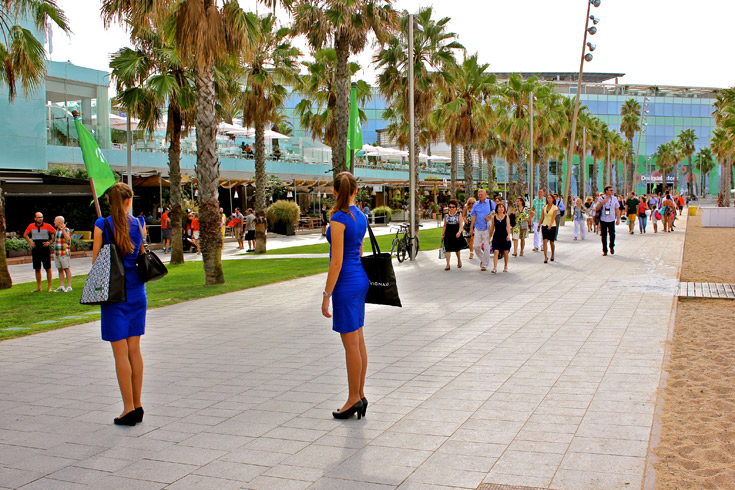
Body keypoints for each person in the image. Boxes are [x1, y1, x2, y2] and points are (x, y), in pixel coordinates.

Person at [92, 183, 147, 426]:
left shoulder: (101, 224)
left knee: (120, 353)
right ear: (129, 200)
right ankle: (138, 404)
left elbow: (96, 261)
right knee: (134, 350)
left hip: (114, 293)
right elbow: (141, 254)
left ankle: (127, 409)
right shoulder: (139, 223)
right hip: (137, 292)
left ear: (109, 201)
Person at [322, 172, 368, 420]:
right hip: (359, 278)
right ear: (355, 191)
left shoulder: (338, 219)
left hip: (346, 283)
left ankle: (353, 399)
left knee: (351, 345)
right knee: (358, 340)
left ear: (334, 191)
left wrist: (326, 294)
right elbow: (358, 250)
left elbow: (336, 262)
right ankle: (359, 394)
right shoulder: (360, 216)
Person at [23, 212, 55, 292]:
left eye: (41, 217)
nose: (40, 219)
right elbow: (25, 235)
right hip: (36, 247)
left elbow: (55, 233)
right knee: (37, 268)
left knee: (48, 267)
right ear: (35, 219)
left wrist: (50, 242)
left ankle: (49, 287)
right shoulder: (31, 226)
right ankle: (38, 287)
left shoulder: (47, 225)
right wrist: (30, 242)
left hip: (45, 247)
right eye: (39, 217)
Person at [469, 189, 494, 271]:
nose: (480, 196)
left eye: (482, 194)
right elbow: (473, 216)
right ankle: (483, 259)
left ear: (485, 195)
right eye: (479, 194)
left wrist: (490, 218)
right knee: (476, 246)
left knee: (486, 247)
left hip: (487, 228)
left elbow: (496, 213)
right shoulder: (476, 204)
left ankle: (484, 265)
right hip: (478, 227)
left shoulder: (490, 203)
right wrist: (471, 228)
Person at [595, 185, 621, 256]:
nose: (612, 191)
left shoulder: (614, 199)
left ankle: (611, 246)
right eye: (610, 190)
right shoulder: (601, 198)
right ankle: (604, 250)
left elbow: (617, 209)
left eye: (612, 190)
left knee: (612, 234)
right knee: (604, 235)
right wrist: (602, 203)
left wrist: (618, 219)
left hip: (611, 219)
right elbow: (597, 208)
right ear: (606, 191)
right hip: (603, 219)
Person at [488, 202, 512, 273]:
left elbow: (508, 227)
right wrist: (489, 237)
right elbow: (492, 228)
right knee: (496, 251)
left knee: (505, 251)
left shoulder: (506, 217)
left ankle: (506, 266)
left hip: (504, 236)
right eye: (499, 207)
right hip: (497, 236)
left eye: (502, 207)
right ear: (497, 209)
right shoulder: (494, 217)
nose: (501, 208)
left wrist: (508, 235)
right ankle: (495, 267)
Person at [441, 199, 464, 271]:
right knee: (447, 248)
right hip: (448, 233)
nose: (451, 208)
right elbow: (445, 225)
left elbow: (461, 225)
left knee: (457, 249)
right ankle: (448, 264)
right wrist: (443, 234)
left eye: (453, 207)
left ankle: (459, 260)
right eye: (450, 207)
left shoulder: (459, 214)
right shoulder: (446, 215)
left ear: (456, 207)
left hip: (456, 232)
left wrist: (459, 232)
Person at [53, 216, 72, 292]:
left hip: (64, 253)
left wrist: (63, 230)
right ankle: (61, 286)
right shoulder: (57, 230)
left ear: (59, 222)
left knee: (66, 268)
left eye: (55, 221)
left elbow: (67, 238)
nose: (54, 222)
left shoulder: (66, 230)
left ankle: (69, 286)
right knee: (60, 269)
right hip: (57, 253)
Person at [540, 194, 558, 264]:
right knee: (544, 240)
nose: (549, 199)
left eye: (550, 198)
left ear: (553, 199)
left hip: (552, 226)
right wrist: (539, 225)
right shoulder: (544, 207)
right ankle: (545, 257)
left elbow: (553, 217)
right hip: (545, 224)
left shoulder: (555, 208)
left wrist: (550, 224)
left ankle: (552, 254)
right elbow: (542, 217)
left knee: (551, 241)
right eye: (548, 198)